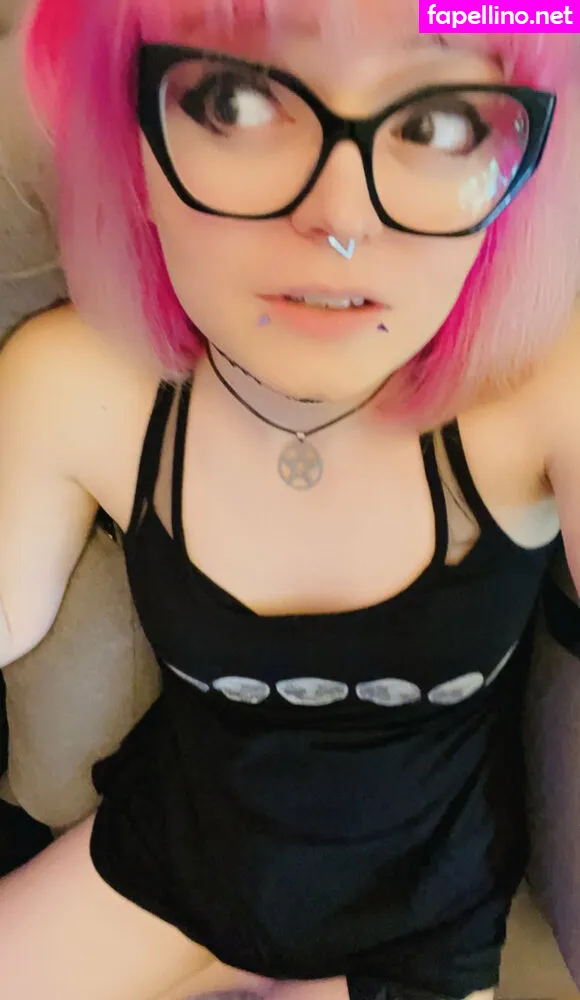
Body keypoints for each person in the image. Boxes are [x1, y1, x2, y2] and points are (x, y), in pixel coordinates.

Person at [0, 0, 579, 998]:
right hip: (165, 872)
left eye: (437, 121)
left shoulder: (538, 393)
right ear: (128, 140)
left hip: (417, 931)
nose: (342, 223)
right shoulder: (79, 384)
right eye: (235, 101)